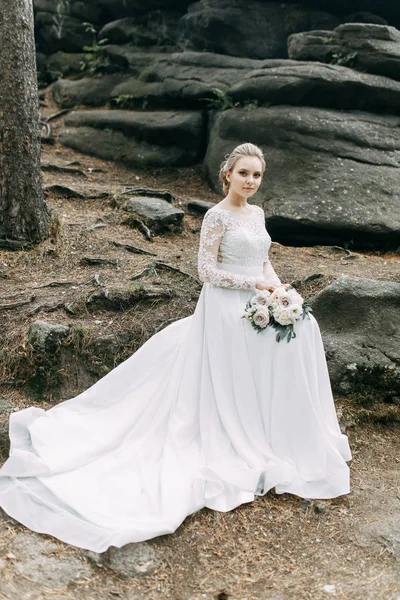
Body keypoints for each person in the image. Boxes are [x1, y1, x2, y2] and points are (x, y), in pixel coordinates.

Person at [0, 142, 351, 553]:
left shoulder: (256, 214)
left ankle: (276, 433)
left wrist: (278, 287)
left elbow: (263, 261)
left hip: (258, 301)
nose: (251, 181)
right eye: (244, 174)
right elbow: (206, 271)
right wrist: (253, 284)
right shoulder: (217, 217)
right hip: (223, 307)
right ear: (227, 175)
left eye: (256, 175)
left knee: (303, 328)